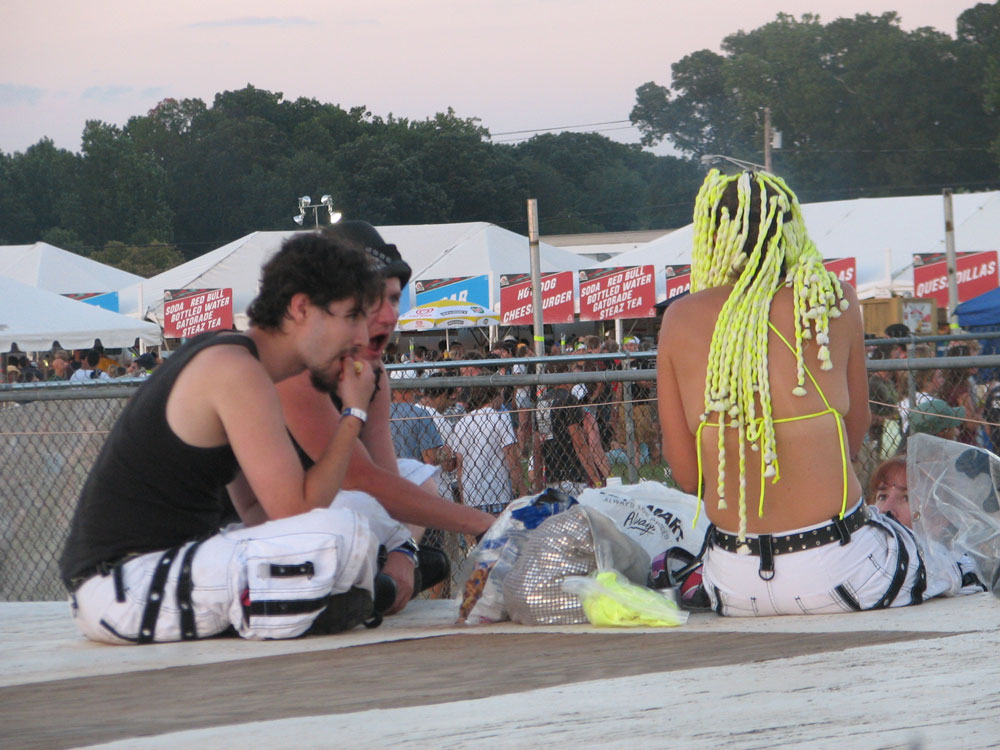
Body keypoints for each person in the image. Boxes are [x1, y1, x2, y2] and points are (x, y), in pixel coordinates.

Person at [656, 170, 962, 617]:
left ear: (713, 237)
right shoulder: (834, 300)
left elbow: (687, 476)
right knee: (960, 563)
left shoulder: (679, 318)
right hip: (842, 569)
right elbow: (855, 433)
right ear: (791, 229)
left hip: (733, 582)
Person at [60, 230, 387, 644]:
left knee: (360, 511)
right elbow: (297, 512)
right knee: (342, 528)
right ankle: (305, 605)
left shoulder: (235, 357)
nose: (362, 338)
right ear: (302, 307)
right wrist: (353, 413)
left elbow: (255, 511)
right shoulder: (235, 369)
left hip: (144, 578)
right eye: (352, 316)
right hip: (124, 585)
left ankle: (313, 601)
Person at [275, 222, 494, 614]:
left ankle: (373, 578)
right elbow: (360, 477)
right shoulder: (292, 363)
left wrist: (403, 552)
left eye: (394, 299)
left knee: (419, 479)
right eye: (373, 300)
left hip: (323, 520)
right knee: (349, 516)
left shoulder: (371, 371)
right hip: (249, 535)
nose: (389, 315)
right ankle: (358, 582)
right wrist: (483, 524)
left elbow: (387, 478)